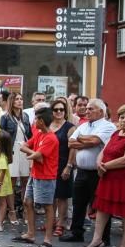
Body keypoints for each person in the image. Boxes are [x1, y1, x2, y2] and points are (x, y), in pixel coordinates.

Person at [83, 105, 125, 247]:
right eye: (121, 117)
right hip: (108, 177)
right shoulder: (116, 133)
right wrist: (99, 162)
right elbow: (104, 151)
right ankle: (97, 240)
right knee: (102, 208)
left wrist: (105, 166)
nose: (124, 121)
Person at [62, 99, 116, 244]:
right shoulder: (84, 125)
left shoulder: (108, 126)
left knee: (100, 205)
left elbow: (95, 142)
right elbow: (70, 142)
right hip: (81, 171)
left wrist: (81, 140)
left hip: (97, 172)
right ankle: (76, 232)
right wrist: (85, 140)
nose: (87, 111)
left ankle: (104, 237)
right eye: (86, 109)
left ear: (101, 111)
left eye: (91, 109)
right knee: (78, 203)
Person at [14, 108, 59, 247]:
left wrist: (33, 154)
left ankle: (48, 239)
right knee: (28, 202)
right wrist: (33, 154)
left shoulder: (51, 138)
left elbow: (37, 155)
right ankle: (30, 234)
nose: (34, 122)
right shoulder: (39, 134)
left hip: (46, 176)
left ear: (41, 121)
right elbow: (26, 148)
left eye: (36, 119)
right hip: (35, 174)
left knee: (47, 206)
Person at [0, 92, 32, 222]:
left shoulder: (25, 116)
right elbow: (2, 136)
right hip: (11, 150)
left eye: (21, 99)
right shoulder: (6, 117)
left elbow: (29, 134)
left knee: (26, 181)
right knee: (11, 182)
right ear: (12, 101)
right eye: (17, 99)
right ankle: (12, 210)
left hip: (24, 150)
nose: (20, 101)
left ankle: (26, 209)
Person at [50, 98, 75, 237]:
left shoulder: (70, 127)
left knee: (62, 196)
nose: (59, 112)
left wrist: (69, 166)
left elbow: (73, 149)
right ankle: (51, 221)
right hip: (49, 165)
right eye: (56, 109)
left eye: (61, 109)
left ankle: (61, 224)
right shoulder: (48, 125)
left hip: (63, 163)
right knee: (51, 195)